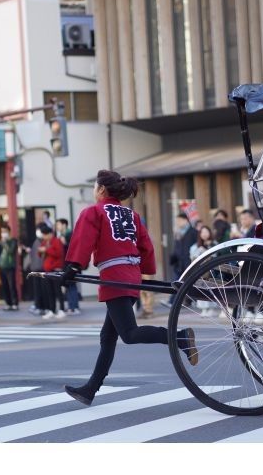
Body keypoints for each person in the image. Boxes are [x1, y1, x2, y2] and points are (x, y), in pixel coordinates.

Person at [61, 169, 198, 407]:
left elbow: (85, 238)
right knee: (108, 336)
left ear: (102, 189)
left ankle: (180, 338)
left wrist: (73, 266)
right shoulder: (131, 215)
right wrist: (145, 270)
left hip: (115, 276)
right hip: (131, 275)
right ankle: (90, 389)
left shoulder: (95, 211)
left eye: (95, 187)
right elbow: (146, 246)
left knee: (129, 334)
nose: (95, 191)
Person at [162, 212, 198, 309]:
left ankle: (189, 300)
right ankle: (172, 301)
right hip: (178, 262)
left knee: (188, 281)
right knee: (177, 281)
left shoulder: (193, 232)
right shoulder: (178, 232)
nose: (177, 222)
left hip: (189, 261)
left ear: (185, 220)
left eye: (179, 220)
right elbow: (177, 247)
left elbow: (196, 246)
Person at [38, 223, 66, 319]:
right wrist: (41, 250)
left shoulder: (56, 241)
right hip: (47, 270)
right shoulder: (45, 242)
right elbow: (40, 253)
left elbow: (59, 253)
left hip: (56, 269)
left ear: (50, 233)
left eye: (45, 234)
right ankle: (52, 310)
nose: (44, 236)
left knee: (58, 290)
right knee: (49, 291)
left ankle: (62, 309)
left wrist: (46, 249)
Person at [190, 226, 219, 316]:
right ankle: (203, 309)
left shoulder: (214, 244)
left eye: (206, 232)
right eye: (202, 232)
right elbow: (192, 257)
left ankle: (211, 309)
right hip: (200, 272)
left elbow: (217, 255)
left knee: (210, 289)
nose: (205, 234)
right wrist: (200, 251)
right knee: (201, 289)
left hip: (211, 271)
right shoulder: (196, 246)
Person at [56, 218, 81, 315]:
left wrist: (63, 242)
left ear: (64, 225)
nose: (57, 227)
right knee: (69, 283)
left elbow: (71, 247)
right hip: (67, 263)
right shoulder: (63, 234)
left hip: (70, 263)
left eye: (58, 225)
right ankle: (71, 306)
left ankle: (74, 307)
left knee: (71, 284)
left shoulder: (69, 233)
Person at [0, 224, 19, 311]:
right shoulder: (0, 242)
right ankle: (8, 303)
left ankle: (14, 303)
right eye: (2, 232)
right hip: (2, 266)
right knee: (5, 285)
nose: (3, 233)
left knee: (11, 285)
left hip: (10, 266)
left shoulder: (13, 241)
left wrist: (5, 242)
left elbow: (11, 251)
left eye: (5, 231)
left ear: (8, 231)